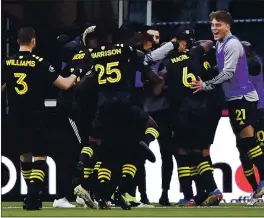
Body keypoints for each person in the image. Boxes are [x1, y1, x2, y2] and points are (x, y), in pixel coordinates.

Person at [2, 27, 81, 210]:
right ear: (33, 41)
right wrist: (77, 71)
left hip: (14, 115)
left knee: (24, 155)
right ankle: (31, 197)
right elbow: (65, 84)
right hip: (36, 115)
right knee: (40, 156)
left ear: (17, 41)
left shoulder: (6, 62)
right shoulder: (40, 62)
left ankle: (32, 195)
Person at [192, 10, 264, 200]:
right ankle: (259, 187)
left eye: (218, 25)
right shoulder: (220, 44)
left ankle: (263, 181)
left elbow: (229, 73)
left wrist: (206, 84)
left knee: (248, 141)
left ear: (227, 26)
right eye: (213, 25)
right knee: (243, 143)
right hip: (233, 98)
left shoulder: (232, 44)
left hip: (243, 97)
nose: (214, 28)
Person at [159, 25, 223, 206]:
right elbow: (209, 43)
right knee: (199, 152)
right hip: (202, 108)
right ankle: (209, 190)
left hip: (182, 110)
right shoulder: (196, 53)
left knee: (182, 153)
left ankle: (190, 195)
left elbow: (160, 80)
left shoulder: (170, 60)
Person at [241, 41, 264, 205]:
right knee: (244, 153)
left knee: (259, 148)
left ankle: (261, 184)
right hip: (242, 112)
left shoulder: (254, 63)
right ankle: (256, 190)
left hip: (258, 111)